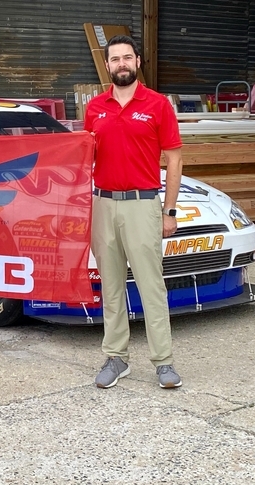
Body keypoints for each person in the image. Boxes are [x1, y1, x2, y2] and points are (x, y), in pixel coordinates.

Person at [83, 35, 183, 390]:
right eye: (115, 59)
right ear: (107, 65)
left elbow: (174, 160)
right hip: (102, 204)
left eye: (127, 58)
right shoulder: (95, 108)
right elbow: (82, 159)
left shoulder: (157, 105)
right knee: (110, 286)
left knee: (151, 286)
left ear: (137, 62)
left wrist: (169, 211)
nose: (121, 64)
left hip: (143, 205)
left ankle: (164, 362)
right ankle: (116, 357)